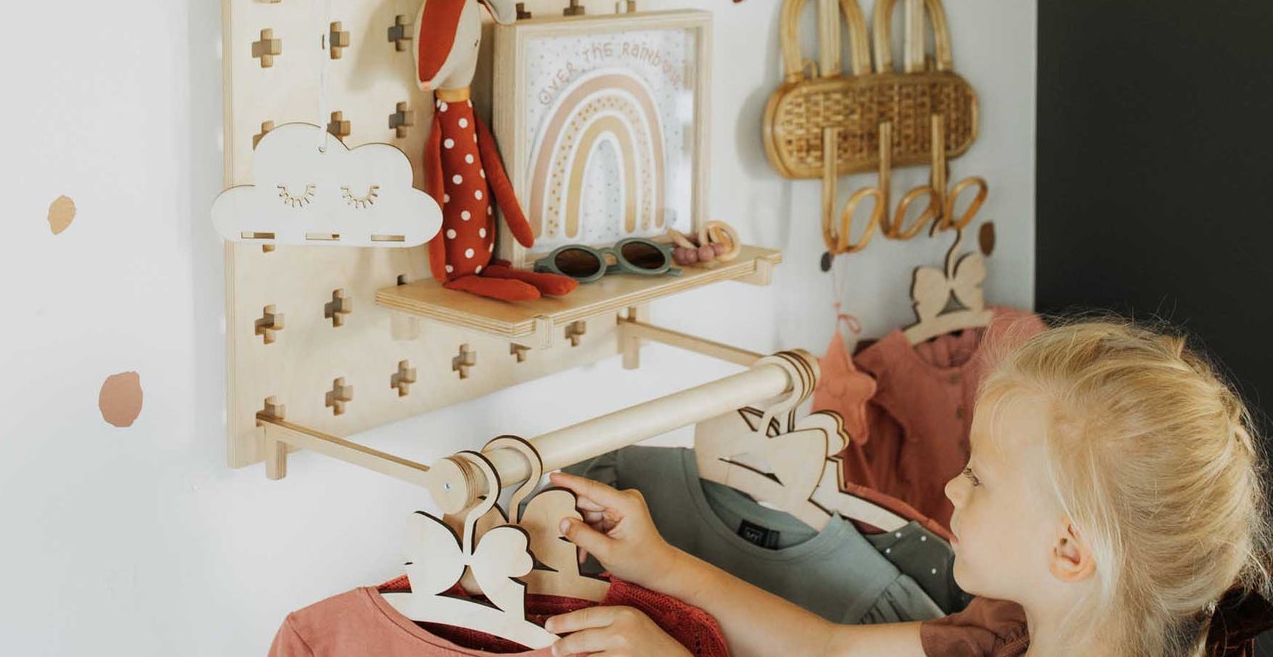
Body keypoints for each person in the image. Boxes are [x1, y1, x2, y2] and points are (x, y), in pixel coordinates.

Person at [543, 319, 1270, 657]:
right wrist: (661, 564)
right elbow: (827, 648)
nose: (951, 486)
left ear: (1068, 550)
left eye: (979, 476)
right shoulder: (1001, 633)